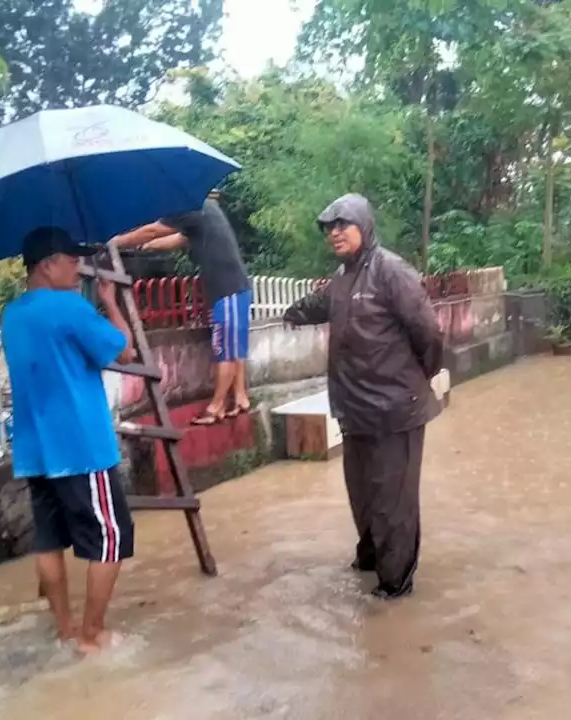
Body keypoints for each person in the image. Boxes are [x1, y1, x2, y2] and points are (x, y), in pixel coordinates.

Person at [283, 194, 444, 600]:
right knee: (363, 494)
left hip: (396, 410)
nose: (334, 232)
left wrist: (416, 380)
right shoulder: (343, 278)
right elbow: (319, 305)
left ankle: (395, 584)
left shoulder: (391, 271)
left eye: (343, 224)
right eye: (328, 227)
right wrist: (291, 313)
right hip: (354, 409)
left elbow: (428, 333)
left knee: (394, 500)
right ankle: (372, 557)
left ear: (365, 226)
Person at [0, 226, 137, 656]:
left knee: (49, 539)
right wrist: (111, 304)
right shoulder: (69, 308)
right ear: (46, 264)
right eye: (70, 259)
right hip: (81, 447)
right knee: (112, 537)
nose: (78, 267)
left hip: (35, 450)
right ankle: (93, 634)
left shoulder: (12, 314)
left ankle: (65, 632)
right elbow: (125, 351)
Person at [111, 192, 252, 426]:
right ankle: (240, 398)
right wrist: (145, 247)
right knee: (235, 349)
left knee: (223, 351)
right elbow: (177, 239)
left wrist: (115, 241)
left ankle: (215, 407)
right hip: (237, 288)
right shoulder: (206, 208)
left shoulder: (190, 207)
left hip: (226, 290)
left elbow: (154, 230)